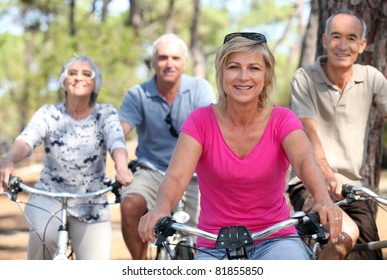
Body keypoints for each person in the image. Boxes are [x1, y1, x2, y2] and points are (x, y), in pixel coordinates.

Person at [138, 32, 343, 260]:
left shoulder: (283, 120)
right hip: (214, 244)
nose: (243, 77)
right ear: (222, 73)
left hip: (275, 240)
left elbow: (305, 161)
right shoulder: (200, 121)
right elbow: (176, 176)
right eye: (234, 67)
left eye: (254, 68)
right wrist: (161, 207)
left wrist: (322, 198)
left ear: (266, 76)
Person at [0, 55, 133, 260]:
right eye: (72, 73)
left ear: (96, 84)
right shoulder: (49, 113)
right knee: (45, 236)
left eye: (87, 74)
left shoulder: (106, 113)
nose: (79, 78)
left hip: (91, 202)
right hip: (48, 196)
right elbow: (27, 139)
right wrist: (9, 159)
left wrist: (122, 167)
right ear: (63, 80)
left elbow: (117, 142)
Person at [288, 9, 387, 260]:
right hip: (310, 181)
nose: (343, 45)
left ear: (362, 45)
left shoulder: (372, 78)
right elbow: (306, 129)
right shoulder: (305, 78)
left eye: (351, 38)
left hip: (354, 188)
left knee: (371, 259)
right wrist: (324, 172)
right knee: (343, 237)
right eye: (336, 37)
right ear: (324, 41)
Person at [119, 33, 216, 260]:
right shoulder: (137, 94)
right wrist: (121, 163)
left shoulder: (200, 88)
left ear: (184, 62)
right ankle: (141, 264)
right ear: (153, 62)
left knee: (200, 234)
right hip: (152, 170)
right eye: (162, 58)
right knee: (130, 203)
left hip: (194, 173)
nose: (169, 64)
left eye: (175, 58)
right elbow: (118, 131)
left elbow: (211, 128)